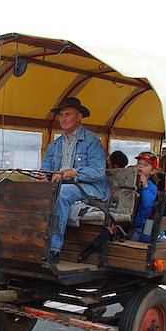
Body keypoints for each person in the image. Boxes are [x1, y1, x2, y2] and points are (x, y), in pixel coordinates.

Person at [36, 97, 109, 263]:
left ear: (79, 116)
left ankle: (52, 250)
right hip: (61, 186)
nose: (63, 118)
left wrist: (72, 173)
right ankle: (32, 242)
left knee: (61, 194)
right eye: (61, 115)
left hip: (89, 188)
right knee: (35, 192)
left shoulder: (92, 142)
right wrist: (42, 177)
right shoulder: (54, 145)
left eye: (68, 114)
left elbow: (98, 172)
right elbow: (46, 170)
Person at [129, 152, 159, 242]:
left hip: (137, 226)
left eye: (145, 165)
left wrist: (145, 185)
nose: (141, 166)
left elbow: (147, 204)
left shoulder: (151, 187)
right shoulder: (130, 181)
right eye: (139, 163)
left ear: (152, 171)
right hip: (122, 221)